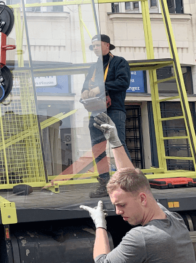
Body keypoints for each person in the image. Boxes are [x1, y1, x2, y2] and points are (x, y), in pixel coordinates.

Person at [80, 113, 196, 263]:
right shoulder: (175, 221)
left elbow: (102, 261)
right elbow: (133, 182)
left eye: (121, 205)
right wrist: (115, 142)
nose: (117, 211)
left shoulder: (142, 238)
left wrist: (100, 225)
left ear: (142, 199)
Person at [82, 34, 131, 198]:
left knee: (119, 145)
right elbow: (86, 84)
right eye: (93, 46)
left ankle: (128, 184)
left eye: (97, 45)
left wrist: (101, 87)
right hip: (96, 109)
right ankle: (105, 185)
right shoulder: (93, 67)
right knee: (98, 148)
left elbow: (123, 83)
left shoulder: (119, 62)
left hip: (114, 109)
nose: (94, 48)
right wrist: (84, 92)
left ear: (107, 46)